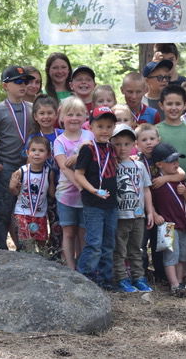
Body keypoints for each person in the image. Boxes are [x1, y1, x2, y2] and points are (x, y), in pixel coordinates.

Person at [0, 65, 33, 249]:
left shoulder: (32, 108)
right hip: (5, 168)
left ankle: (26, 249)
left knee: (25, 212)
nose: (23, 85)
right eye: (18, 82)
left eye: (26, 82)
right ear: (5, 86)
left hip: (29, 169)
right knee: (2, 212)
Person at [74, 106, 119, 290]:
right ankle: (85, 279)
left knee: (109, 243)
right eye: (100, 126)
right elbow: (78, 174)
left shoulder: (112, 148)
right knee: (94, 243)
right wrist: (93, 190)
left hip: (112, 204)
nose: (105, 130)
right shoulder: (88, 149)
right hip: (93, 204)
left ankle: (106, 279)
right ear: (90, 126)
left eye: (109, 126)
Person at [135, 124, 184, 283]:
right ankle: (140, 273)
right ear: (137, 144)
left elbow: (181, 173)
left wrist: (166, 178)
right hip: (143, 208)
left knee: (160, 243)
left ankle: (161, 274)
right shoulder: (136, 161)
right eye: (144, 140)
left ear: (159, 140)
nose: (149, 143)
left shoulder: (164, 156)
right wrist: (152, 213)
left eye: (152, 139)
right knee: (141, 242)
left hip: (163, 211)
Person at [111, 124, 155, 293]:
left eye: (127, 144)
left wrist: (149, 211)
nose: (122, 148)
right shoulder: (112, 165)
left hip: (138, 215)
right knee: (120, 250)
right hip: (120, 215)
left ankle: (139, 278)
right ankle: (121, 278)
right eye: (118, 144)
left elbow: (146, 189)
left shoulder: (140, 166)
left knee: (137, 249)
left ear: (134, 145)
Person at [54, 97, 95, 269]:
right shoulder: (59, 141)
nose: (74, 118)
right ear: (61, 117)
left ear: (85, 117)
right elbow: (64, 167)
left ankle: (83, 267)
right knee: (69, 231)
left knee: (83, 232)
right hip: (67, 194)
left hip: (87, 194)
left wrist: (79, 156)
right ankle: (70, 267)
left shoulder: (89, 135)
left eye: (79, 114)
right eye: (69, 114)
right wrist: (80, 186)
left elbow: (95, 155)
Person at [151, 142, 186, 296]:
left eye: (177, 160)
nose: (176, 163)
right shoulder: (156, 181)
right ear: (159, 164)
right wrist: (155, 214)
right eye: (171, 161)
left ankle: (180, 280)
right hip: (168, 225)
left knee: (183, 255)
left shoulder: (178, 178)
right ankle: (174, 284)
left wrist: (185, 192)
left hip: (183, 222)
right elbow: (150, 201)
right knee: (171, 256)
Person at [27, 95, 62, 252]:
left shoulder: (62, 134)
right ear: (35, 116)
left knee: (58, 221)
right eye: (42, 113)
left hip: (61, 186)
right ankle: (39, 251)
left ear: (56, 114)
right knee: (39, 219)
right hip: (40, 186)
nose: (46, 117)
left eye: (49, 113)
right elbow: (28, 163)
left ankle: (57, 251)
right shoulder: (33, 138)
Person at [9, 136, 55, 253]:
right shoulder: (21, 171)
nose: (37, 154)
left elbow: (51, 193)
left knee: (41, 244)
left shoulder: (49, 172)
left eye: (41, 151)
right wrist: (12, 185)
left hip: (40, 214)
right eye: (33, 150)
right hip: (22, 212)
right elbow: (14, 192)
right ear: (27, 152)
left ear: (48, 154)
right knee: (26, 245)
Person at [156, 85, 186, 184]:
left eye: (178, 104)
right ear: (161, 105)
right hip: (164, 185)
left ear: (185, 105)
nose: (174, 108)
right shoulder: (155, 130)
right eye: (169, 104)